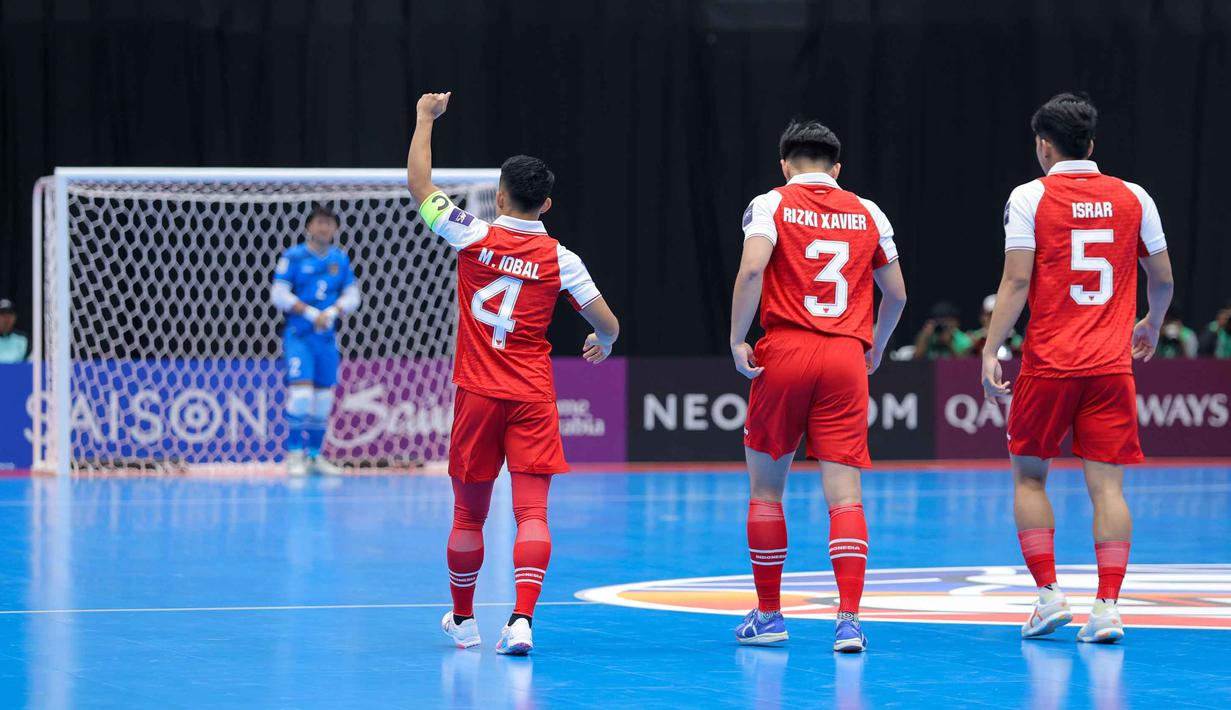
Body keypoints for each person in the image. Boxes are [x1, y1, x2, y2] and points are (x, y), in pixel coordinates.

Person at [408, 92, 620, 656]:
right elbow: (609, 324)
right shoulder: (562, 260)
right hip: (532, 396)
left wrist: (426, 120)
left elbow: (420, 187)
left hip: (477, 394)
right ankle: (522, 621)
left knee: (467, 515)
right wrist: (600, 341)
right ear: (546, 204)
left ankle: (463, 619)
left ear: (499, 196)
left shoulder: (470, 233)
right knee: (531, 513)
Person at [981, 92, 1173, 644]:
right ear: (1091, 144)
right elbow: (1162, 280)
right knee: (1108, 489)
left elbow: (1016, 282)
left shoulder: (1030, 196)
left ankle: (1048, 597)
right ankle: (1108, 607)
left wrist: (992, 349)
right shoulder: (1135, 197)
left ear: (1044, 146)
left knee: (1029, 475)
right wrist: (1151, 324)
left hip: (1050, 365)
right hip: (1111, 368)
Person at [730, 119, 908, 653]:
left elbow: (751, 272)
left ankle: (769, 615)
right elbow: (896, 293)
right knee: (845, 497)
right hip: (845, 357)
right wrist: (874, 344)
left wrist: (738, 338)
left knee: (766, 492)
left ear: (784, 164)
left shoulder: (771, 203)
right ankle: (849, 620)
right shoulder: (869, 210)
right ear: (836, 168)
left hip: (784, 349)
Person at [270, 206, 361, 477]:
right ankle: (294, 455)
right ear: (309, 227)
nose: (325, 228)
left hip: (326, 339)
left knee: (323, 400)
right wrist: (311, 314)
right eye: (320, 223)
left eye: (329, 224)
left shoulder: (339, 259)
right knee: (301, 396)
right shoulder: (293, 257)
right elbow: (278, 294)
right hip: (300, 337)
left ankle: (314, 456)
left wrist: (332, 312)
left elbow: (353, 295)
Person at [969, 294, 1022, 359]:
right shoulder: (974, 338)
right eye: (992, 315)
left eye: (1001, 314)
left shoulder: (1015, 339)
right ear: (983, 317)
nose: (996, 319)